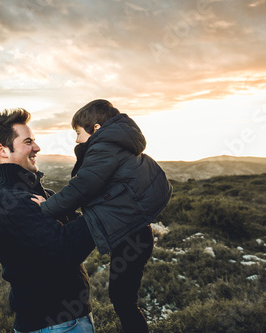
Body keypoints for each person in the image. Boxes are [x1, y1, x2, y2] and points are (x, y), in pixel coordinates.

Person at [31, 99, 173, 333]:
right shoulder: (116, 145)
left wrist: (47, 207)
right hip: (135, 234)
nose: (76, 139)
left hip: (132, 238)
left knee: (123, 300)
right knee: (123, 298)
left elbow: (84, 185)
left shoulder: (104, 146)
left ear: (96, 129)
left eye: (77, 132)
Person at [0, 108, 96, 333]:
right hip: (55, 326)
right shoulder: (11, 203)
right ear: (3, 150)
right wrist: (108, 210)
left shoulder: (37, 194)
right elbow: (66, 248)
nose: (37, 147)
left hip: (64, 323)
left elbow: (77, 225)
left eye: (34, 140)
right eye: (28, 142)